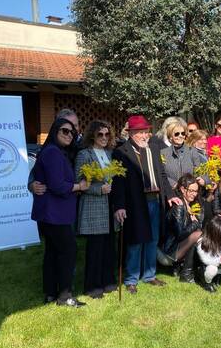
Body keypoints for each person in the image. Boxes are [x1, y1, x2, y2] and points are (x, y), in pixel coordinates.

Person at [111, 115, 181, 295]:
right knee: (135, 241)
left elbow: (162, 176)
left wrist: (170, 195)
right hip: (135, 203)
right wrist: (119, 206)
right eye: (140, 132)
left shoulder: (154, 148)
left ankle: (149, 275)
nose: (145, 136)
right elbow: (117, 182)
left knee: (152, 239)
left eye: (146, 132)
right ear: (131, 133)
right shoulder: (121, 152)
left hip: (155, 201)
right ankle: (131, 279)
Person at [31, 118, 89, 307]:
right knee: (68, 251)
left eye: (72, 133)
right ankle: (65, 297)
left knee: (53, 253)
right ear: (55, 131)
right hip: (54, 213)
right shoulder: (53, 153)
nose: (69, 135)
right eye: (65, 131)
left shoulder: (52, 152)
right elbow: (57, 185)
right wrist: (78, 186)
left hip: (50, 212)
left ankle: (50, 293)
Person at [74, 120, 117, 299]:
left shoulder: (110, 153)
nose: (104, 137)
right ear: (92, 135)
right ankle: (92, 286)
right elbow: (79, 183)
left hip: (110, 207)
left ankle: (107, 282)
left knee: (108, 246)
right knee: (95, 249)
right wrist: (98, 189)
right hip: (93, 207)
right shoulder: (84, 154)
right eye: (100, 134)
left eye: (107, 134)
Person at [29, 108, 81, 196]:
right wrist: (31, 184)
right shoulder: (52, 148)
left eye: (75, 125)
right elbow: (37, 169)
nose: (72, 129)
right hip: (59, 200)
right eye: (66, 128)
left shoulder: (85, 145)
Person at [162, 174, 204, 283]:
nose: (194, 194)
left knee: (200, 235)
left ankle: (193, 269)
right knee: (199, 234)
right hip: (169, 252)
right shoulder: (179, 205)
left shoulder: (191, 204)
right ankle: (186, 273)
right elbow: (180, 234)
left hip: (178, 248)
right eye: (191, 191)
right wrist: (195, 223)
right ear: (182, 189)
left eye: (196, 191)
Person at [160, 121, 202, 189]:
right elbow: (162, 174)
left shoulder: (192, 151)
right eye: (177, 134)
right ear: (170, 136)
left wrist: (190, 185)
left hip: (189, 191)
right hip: (172, 191)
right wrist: (174, 184)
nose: (180, 136)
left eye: (183, 133)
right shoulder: (163, 153)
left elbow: (198, 170)